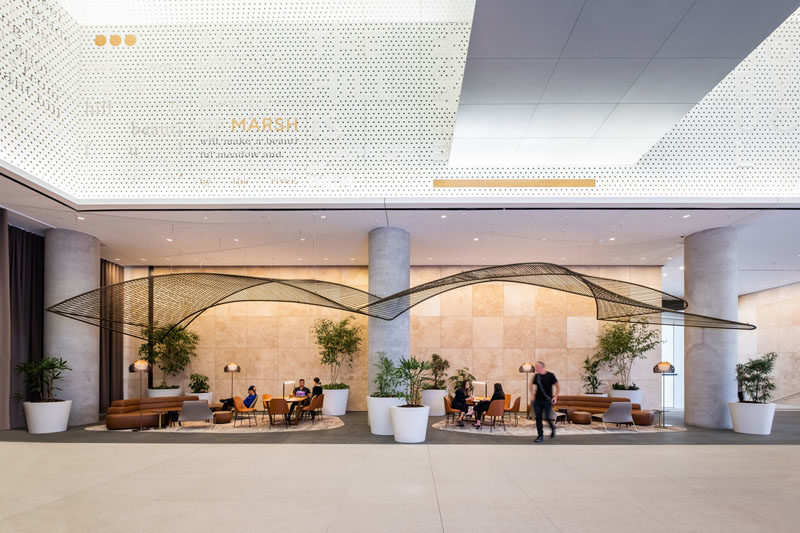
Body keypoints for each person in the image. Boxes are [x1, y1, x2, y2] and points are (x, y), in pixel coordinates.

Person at [530, 361, 559, 442]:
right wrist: (532, 394)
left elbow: (558, 387)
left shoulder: (550, 375)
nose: (535, 368)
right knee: (538, 417)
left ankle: (553, 428)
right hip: (537, 400)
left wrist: (555, 397)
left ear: (542, 367)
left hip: (547, 400)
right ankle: (540, 436)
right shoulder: (536, 376)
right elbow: (531, 385)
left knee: (547, 417)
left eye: (537, 367)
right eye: (535, 367)